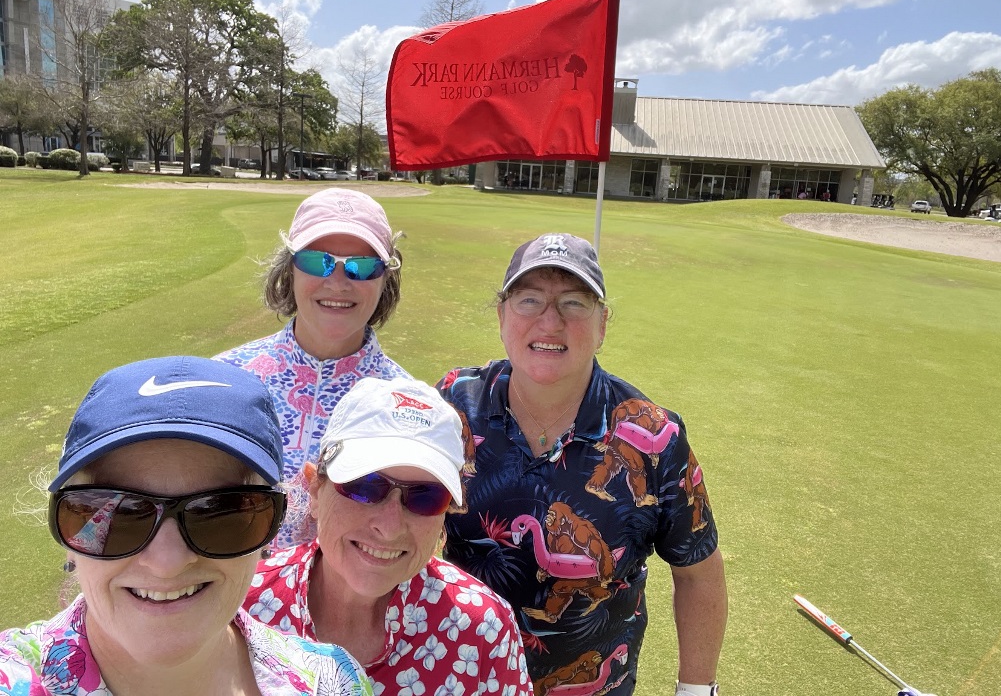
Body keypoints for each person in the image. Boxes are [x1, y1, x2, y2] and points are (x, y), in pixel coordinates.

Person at [436, 233, 727, 696]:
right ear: (501, 315)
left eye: (573, 303)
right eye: (529, 300)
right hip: (459, 676)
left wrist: (696, 690)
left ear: (603, 323)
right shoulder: (451, 404)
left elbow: (698, 572)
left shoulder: (655, 437)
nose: (550, 322)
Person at [0, 355, 371, 696]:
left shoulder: (331, 682)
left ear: (268, 530)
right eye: (121, 512)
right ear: (70, 535)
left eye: (219, 513)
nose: (167, 562)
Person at [245, 376, 532, 696]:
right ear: (315, 489)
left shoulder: (481, 631)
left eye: (426, 496)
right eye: (365, 487)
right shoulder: (241, 607)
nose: (390, 525)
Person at [217, 188, 409, 546]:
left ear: (385, 280)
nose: (338, 282)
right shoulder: (223, 379)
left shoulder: (409, 403)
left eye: (362, 266)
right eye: (316, 261)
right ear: (289, 269)